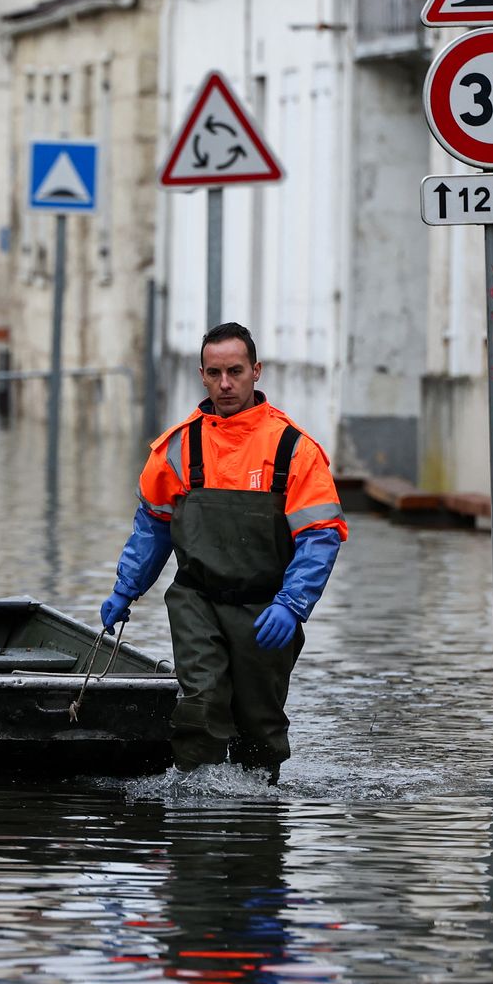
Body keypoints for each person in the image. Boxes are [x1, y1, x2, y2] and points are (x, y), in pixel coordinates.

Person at [98, 321, 346, 782]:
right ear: (202, 375)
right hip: (197, 599)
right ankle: (197, 804)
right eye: (215, 373)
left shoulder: (295, 450)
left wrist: (292, 605)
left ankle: (257, 813)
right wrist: (125, 590)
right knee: (202, 702)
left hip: (266, 607)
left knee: (260, 724)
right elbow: (152, 529)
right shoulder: (176, 448)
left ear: (256, 371)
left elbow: (320, 536)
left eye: (235, 371)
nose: (225, 383)